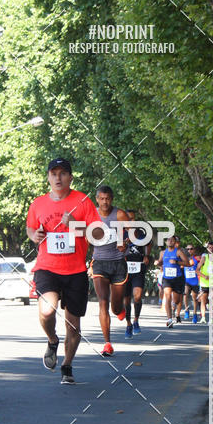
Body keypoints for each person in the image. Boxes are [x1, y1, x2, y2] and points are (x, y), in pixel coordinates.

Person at [27, 158, 99, 384]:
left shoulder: (83, 201)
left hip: (75, 270)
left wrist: (75, 225)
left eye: (63, 174)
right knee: (47, 311)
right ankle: (52, 340)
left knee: (73, 325)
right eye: (53, 173)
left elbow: (98, 235)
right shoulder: (38, 203)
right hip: (47, 267)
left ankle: (67, 365)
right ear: (48, 177)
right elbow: (31, 227)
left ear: (70, 177)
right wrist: (34, 235)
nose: (58, 178)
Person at [90, 186, 129, 355]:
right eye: (102, 198)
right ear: (97, 199)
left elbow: (135, 233)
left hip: (118, 263)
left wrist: (125, 242)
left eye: (108, 198)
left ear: (111, 199)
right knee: (103, 301)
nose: (105, 202)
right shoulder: (91, 214)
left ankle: (120, 310)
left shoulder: (119, 214)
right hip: (99, 262)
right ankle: (107, 343)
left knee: (115, 307)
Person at [124, 221, 151, 337]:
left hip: (138, 269)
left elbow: (148, 244)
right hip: (124, 270)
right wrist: (125, 244)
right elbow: (115, 249)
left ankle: (136, 320)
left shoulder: (141, 234)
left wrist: (146, 255)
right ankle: (128, 324)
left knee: (137, 296)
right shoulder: (121, 234)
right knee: (126, 300)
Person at [158, 235, 188, 327]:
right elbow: (160, 262)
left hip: (177, 279)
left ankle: (175, 310)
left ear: (175, 242)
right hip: (167, 278)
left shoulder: (178, 252)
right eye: (168, 240)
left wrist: (177, 262)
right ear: (166, 242)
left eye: (172, 240)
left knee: (177, 300)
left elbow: (187, 263)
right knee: (167, 297)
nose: (170, 241)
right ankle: (169, 319)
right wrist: (157, 263)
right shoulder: (163, 252)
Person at [197, 240, 213, 323]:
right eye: (210, 248)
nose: (211, 249)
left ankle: (211, 318)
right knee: (204, 300)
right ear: (207, 249)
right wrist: (204, 276)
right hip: (204, 283)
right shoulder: (204, 258)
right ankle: (203, 317)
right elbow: (197, 270)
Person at [182, 244, 201, 323]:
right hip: (187, 281)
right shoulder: (183, 258)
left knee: (194, 298)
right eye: (188, 249)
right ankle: (186, 310)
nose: (189, 250)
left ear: (194, 250)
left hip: (195, 281)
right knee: (185, 294)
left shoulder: (197, 258)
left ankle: (195, 314)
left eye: (191, 249)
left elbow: (205, 259)